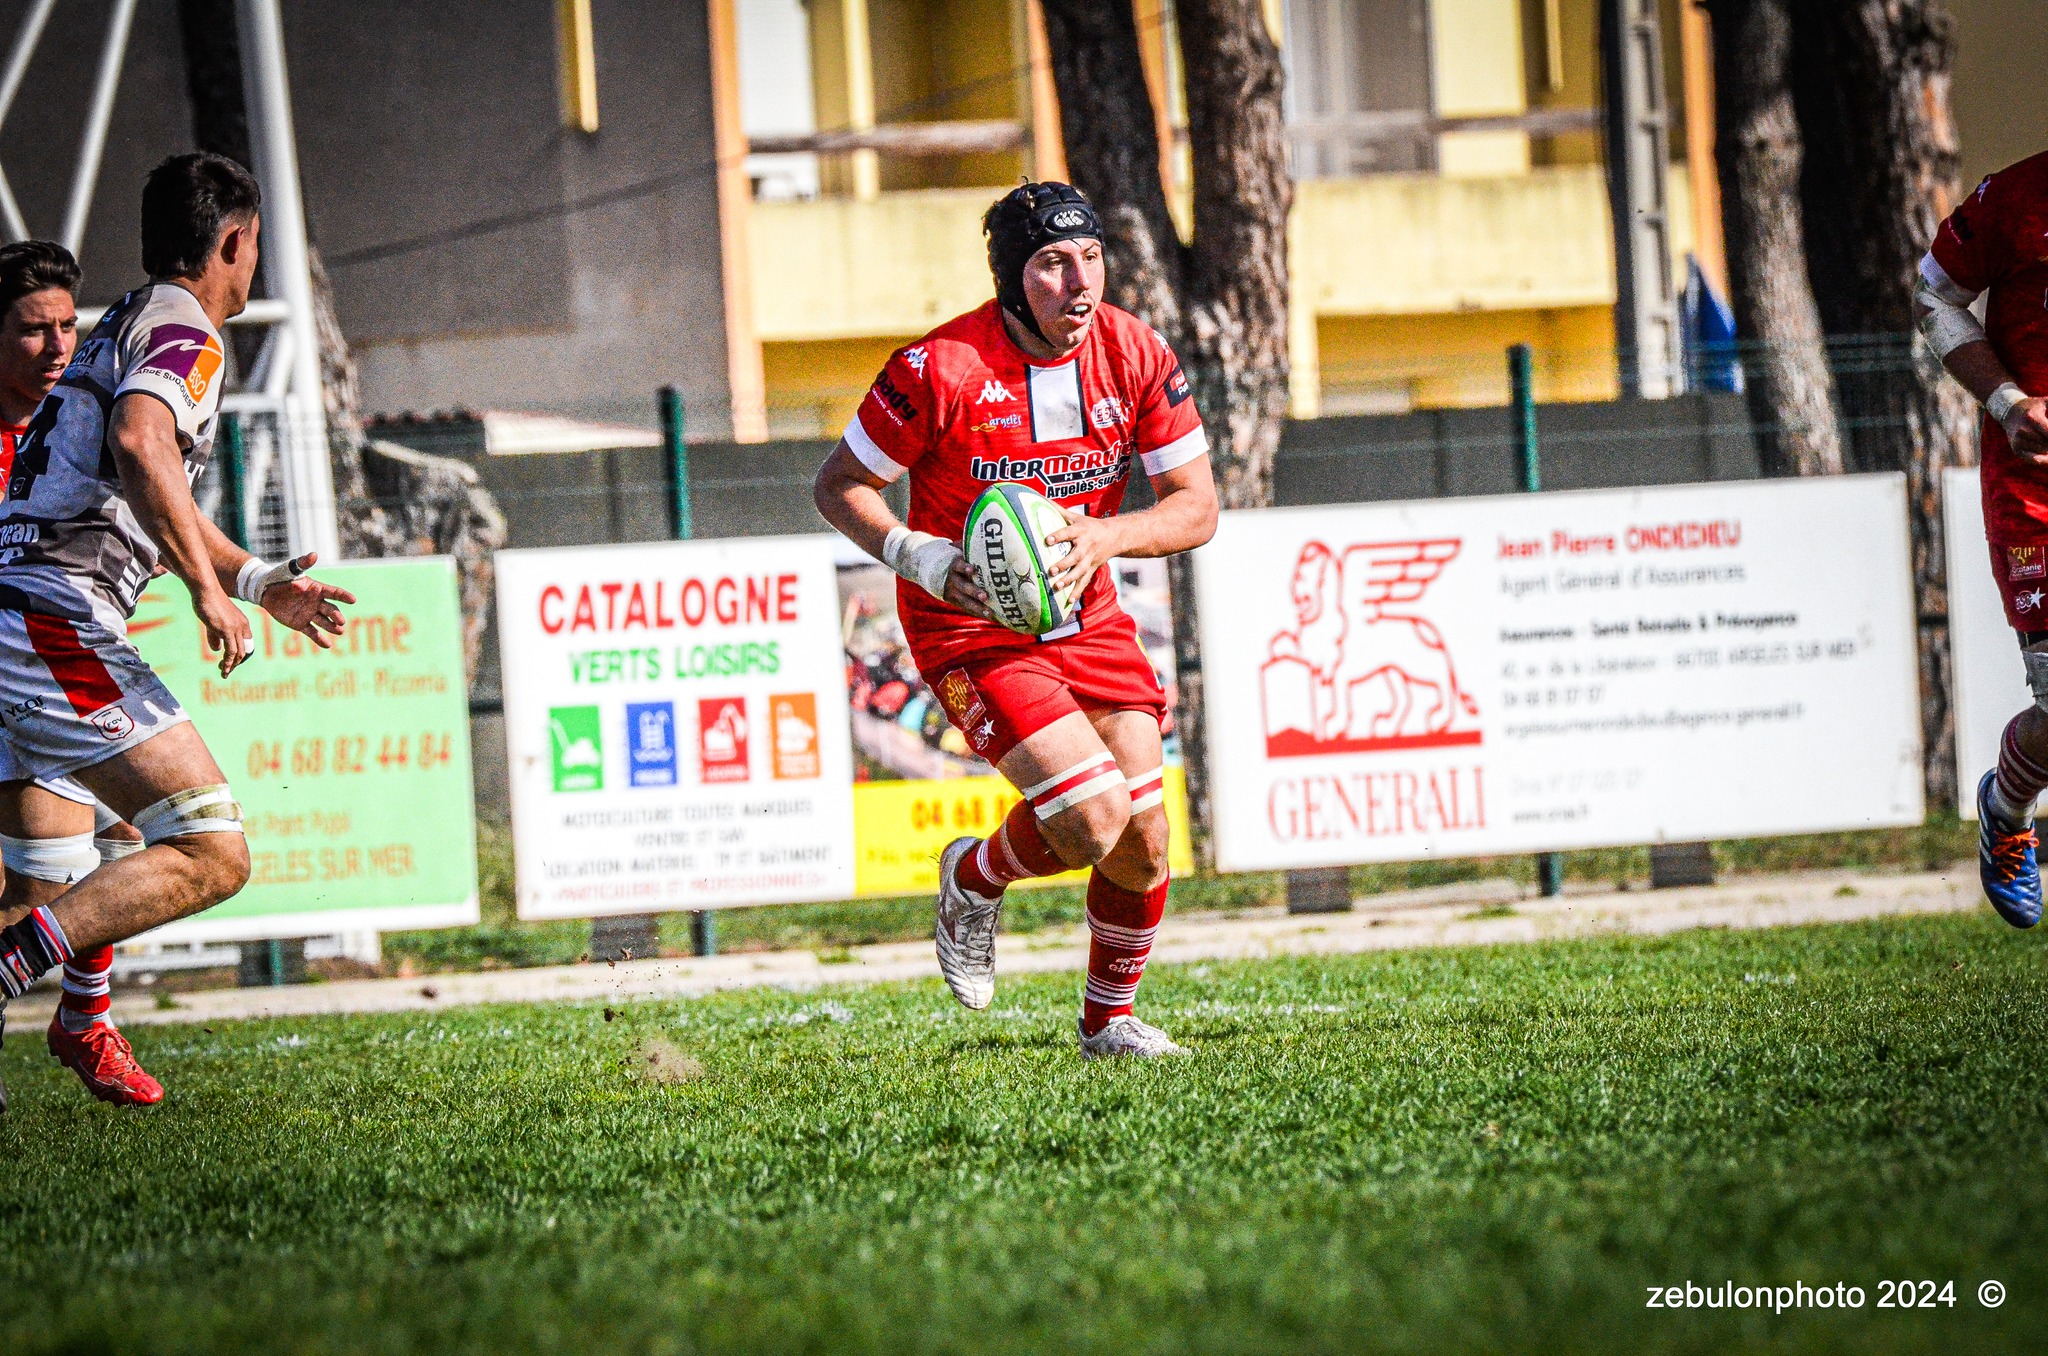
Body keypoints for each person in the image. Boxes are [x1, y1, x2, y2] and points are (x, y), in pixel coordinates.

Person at [812, 181, 1217, 1058]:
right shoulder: (937, 369)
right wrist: (919, 556)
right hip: (971, 628)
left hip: (1087, 614)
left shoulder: (1135, 351)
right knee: (1091, 818)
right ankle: (973, 875)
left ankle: (1108, 1025)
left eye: (1092, 258)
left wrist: (1107, 535)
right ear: (1010, 278)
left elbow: (1197, 507)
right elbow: (839, 486)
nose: (1080, 283)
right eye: (1052, 264)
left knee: (1146, 839)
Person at [0, 152, 355, 1114]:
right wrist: (206, 592)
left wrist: (254, 580)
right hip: (52, 616)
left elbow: (147, 482)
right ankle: (38, 994)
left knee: (73, 861)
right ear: (234, 242)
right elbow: (141, 444)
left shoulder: (130, 316)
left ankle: (81, 1019)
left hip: (29, 612)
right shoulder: (188, 333)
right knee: (209, 849)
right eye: (255, 245)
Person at [0, 240, 160, 1105]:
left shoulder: (77, 423)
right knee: (31, 885)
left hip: (67, 657)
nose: (57, 346)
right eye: (34, 329)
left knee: (126, 834)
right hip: (15, 669)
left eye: (67, 325)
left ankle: (85, 1017)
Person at [1919, 151, 2048, 928]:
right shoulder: (2018, 197)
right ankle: (2006, 810)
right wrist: (2008, 403)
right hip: (2037, 493)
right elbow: (1932, 294)